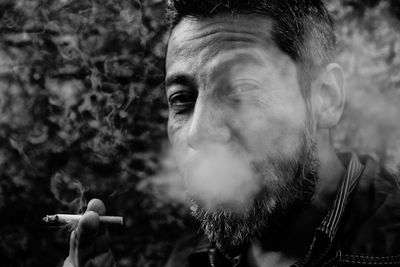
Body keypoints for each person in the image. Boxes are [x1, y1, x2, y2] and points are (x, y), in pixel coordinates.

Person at [63, 0, 400, 266]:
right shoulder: (189, 257)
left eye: (240, 92)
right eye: (181, 100)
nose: (198, 133)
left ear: (325, 98)